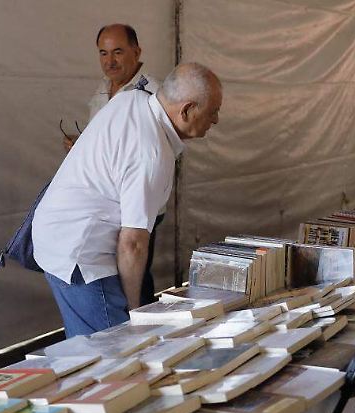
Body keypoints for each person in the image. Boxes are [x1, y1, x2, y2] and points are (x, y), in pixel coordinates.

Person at [34, 63, 222, 337]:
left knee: (87, 349)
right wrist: (134, 313)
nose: (216, 120)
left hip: (56, 236)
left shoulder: (134, 98)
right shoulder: (152, 152)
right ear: (187, 110)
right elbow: (132, 243)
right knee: (115, 352)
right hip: (80, 253)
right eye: (213, 111)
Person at [64, 23, 163, 307]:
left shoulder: (153, 93)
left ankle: (143, 329)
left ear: (137, 51)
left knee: (135, 269)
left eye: (118, 52)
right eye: (103, 53)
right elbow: (104, 139)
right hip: (105, 202)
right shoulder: (101, 92)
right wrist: (81, 144)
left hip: (138, 198)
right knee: (112, 272)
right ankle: (122, 326)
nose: (110, 61)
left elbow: (158, 150)